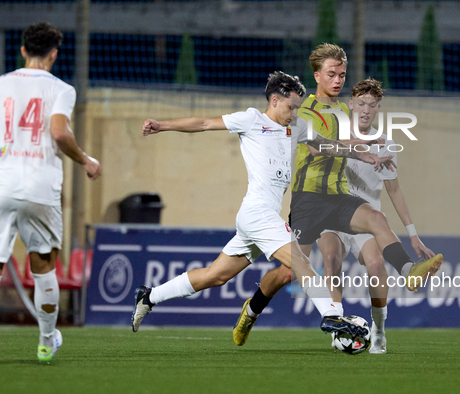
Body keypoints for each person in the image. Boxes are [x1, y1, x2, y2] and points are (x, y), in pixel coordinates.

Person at [131, 71, 394, 338]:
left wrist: (362, 152)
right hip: (257, 213)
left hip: (261, 216)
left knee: (216, 276)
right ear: (275, 100)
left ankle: (150, 296)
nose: (294, 113)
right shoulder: (251, 120)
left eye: (298, 108)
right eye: (291, 107)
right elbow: (202, 123)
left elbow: (325, 146)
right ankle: (331, 316)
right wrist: (162, 125)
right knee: (299, 260)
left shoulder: (297, 127)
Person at [232, 45, 442, 348]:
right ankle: (251, 310)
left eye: (342, 74)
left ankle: (409, 271)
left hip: (338, 196)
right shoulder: (303, 111)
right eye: (331, 74)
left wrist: (370, 145)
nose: (338, 80)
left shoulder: (343, 110)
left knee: (376, 218)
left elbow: (347, 140)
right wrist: (363, 149)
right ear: (317, 75)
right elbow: (321, 146)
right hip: (308, 200)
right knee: (288, 272)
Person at [0, 22, 102, 363]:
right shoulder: (61, 89)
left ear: (23, 50)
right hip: (39, 187)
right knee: (43, 266)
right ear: (54, 54)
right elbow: (59, 133)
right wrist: (85, 160)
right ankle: (46, 340)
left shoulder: (3, 84)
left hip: (2, 182)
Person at [317, 78, 435, 353]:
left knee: (376, 266)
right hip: (333, 215)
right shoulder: (336, 134)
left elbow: (394, 190)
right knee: (331, 258)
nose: (366, 110)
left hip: (367, 219)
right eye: (361, 104)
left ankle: (379, 330)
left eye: (371, 105)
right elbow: (324, 149)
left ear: (379, 108)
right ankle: (338, 326)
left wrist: (413, 234)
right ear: (351, 105)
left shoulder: (386, 144)